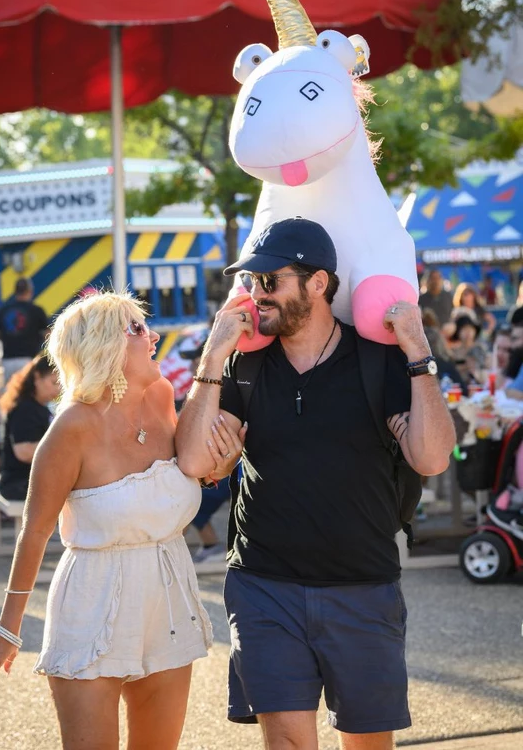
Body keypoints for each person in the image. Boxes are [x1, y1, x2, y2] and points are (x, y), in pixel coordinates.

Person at [177, 218, 455, 749]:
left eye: (271, 281)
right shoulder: (243, 367)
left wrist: (417, 350)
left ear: (319, 283)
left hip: (362, 586)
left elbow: (432, 457)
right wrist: (212, 356)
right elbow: (193, 459)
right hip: (264, 585)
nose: (257, 295)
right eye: (251, 283)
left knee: (367, 743)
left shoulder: (380, 361)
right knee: (285, 741)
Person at [0, 289, 231, 750]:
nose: (152, 336)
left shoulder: (160, 396)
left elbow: (183, 476)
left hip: (169, 594)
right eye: (137, 328)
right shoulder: (71, 427)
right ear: (102, 345)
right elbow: (35, 530)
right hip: (91, 602)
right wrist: (7, 627)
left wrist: (221, 466)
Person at [0, 354, 59, 501]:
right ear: (37, 377)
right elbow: (23, 452)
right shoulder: (24, 409)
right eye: (54, 382)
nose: (58, 389)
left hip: (31, 481)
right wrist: (64, 447)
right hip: (18, 483)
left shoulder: (40, 407)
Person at [0, 278, 51, 381]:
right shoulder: (36, 310)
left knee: (10, 394)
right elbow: (47, 334)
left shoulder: (3, 309)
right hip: (29, 359)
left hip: (7, 359)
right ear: (30, 291)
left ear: (15, 292)